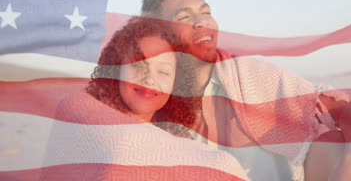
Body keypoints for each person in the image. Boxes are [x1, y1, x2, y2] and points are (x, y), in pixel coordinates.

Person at [141, 0, 351, 181]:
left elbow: (348, 111)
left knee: (332, 143)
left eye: (206, 12)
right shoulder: (150, 97)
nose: (202, 21)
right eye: (184, 17)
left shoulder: (248, 75)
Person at [41, 17, 250, 181]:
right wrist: (223, 164)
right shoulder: (80, 108)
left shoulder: (178, 138)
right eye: (139, 65)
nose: (149, 79)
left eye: (164, 72)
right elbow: (125, 145)